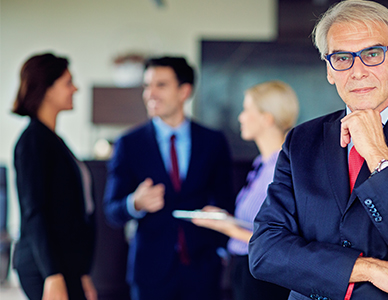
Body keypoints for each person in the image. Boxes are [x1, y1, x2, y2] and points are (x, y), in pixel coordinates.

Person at [248, 1, 388, 300]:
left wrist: (379, 156)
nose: (357, 71)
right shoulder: (301, 140)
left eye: (372, 54)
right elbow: (265, 252)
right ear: (330, 70)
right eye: (342, 58)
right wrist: (367, 269)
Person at [103, 56, 234, 300]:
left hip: (203, 271)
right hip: (150, 273)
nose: (150, 93)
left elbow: (227, 201)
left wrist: (219, 249)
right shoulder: (129, 144)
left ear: (184, 91)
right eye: (146, 86)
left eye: (160, 85)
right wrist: (136, 203)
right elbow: (112, 210)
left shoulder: (213, 141)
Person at [192, 80, 299, 300]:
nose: (240, 117)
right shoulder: (262, 164)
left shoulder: (283, 168)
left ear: (267, 118)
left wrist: (225, 227)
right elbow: (258, 224)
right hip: (246, 268)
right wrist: (225, 219)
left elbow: (279, 239)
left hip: (265, 278)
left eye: (247, 109)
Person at [12, 53, 97, 300]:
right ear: (47, 89)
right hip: (45, 266)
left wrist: (83, 273)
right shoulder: (32, 141)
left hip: (66, 264)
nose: (75, 89)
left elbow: (75, 213)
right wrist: (52, 275)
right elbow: (34, 211)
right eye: (68, 82)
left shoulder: (54, 141)